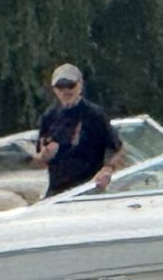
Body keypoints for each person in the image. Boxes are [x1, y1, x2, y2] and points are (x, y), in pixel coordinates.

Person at [34, 63, 127, 196]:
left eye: (70, 85)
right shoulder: (49, 116)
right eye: (60, 87)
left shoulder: (94, 114)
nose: (66, 91)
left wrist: (108, 169)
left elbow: (118, 149)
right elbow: (38, 157)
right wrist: (44, 155)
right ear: (54, 89)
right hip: (57, 191)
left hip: (89, 188)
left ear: (80, 86)